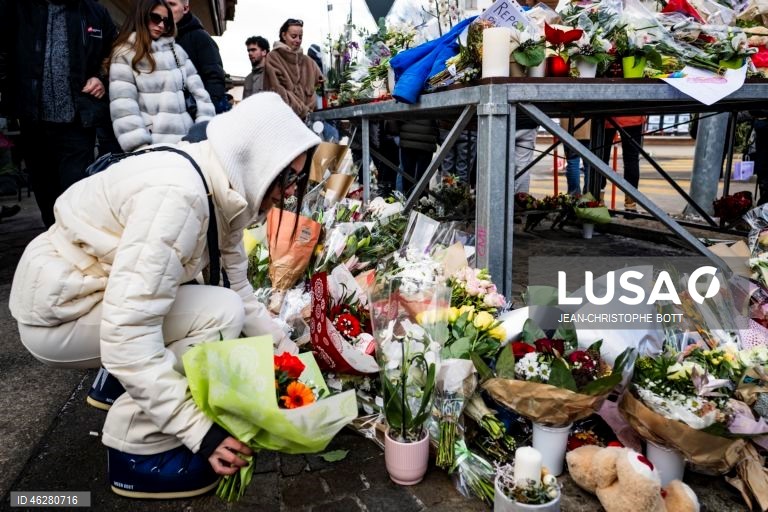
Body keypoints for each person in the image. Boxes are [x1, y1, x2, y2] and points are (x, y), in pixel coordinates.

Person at [9, 92, 320, 498]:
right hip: (61, 315)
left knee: (217, 303)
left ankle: (117, 386)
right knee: (217, 314)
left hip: (80, 290)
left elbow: (239, 287)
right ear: (256, 158)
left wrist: (287, 352)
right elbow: (128, 336)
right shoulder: (181, 198)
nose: (288, 192)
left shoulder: (219, 180)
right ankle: (135, 448)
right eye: (288, 176)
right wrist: (201, 433)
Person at [0, 0, 117, 228]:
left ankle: (75, 246)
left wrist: (101, 77)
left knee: (75, 195)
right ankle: (57, 249)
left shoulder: (95, 12)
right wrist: (9, 97)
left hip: (77, 123)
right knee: (46, 196)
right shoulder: (19, 8)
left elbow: (116, 54)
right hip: (33, 122)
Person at [108, 0, 215, 153]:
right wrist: (140, 147)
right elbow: (124, 108)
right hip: (154, 148)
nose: (161, 25)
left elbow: (201, 97)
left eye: (166, 21)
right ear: (142, 16)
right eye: (155, 18)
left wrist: (201, 132)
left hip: (190, 146)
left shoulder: (177, 51)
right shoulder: (125, 53)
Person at [165, 0, 230, 113]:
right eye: (163, 4)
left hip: (193, 115)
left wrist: (205, 112)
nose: (166, 9)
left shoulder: (200, 37)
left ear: (185, 8)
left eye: (172, 4)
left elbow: (215, 78)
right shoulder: (159, 37)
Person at [263, 18, 322, 120]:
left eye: (300, 37)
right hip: (285, 122)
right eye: (293, 36)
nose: (298, 40)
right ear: (283, 35)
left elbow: (322, 85)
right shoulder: (273, 58)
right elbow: (278, 92)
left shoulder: (308, 61)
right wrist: (303, 110)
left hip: (310, 122)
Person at [596, 116, 645, 211]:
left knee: (601, 158)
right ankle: (631, 205)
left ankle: (599, 202)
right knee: (631, 159)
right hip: (633, 116)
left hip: (606, 116)